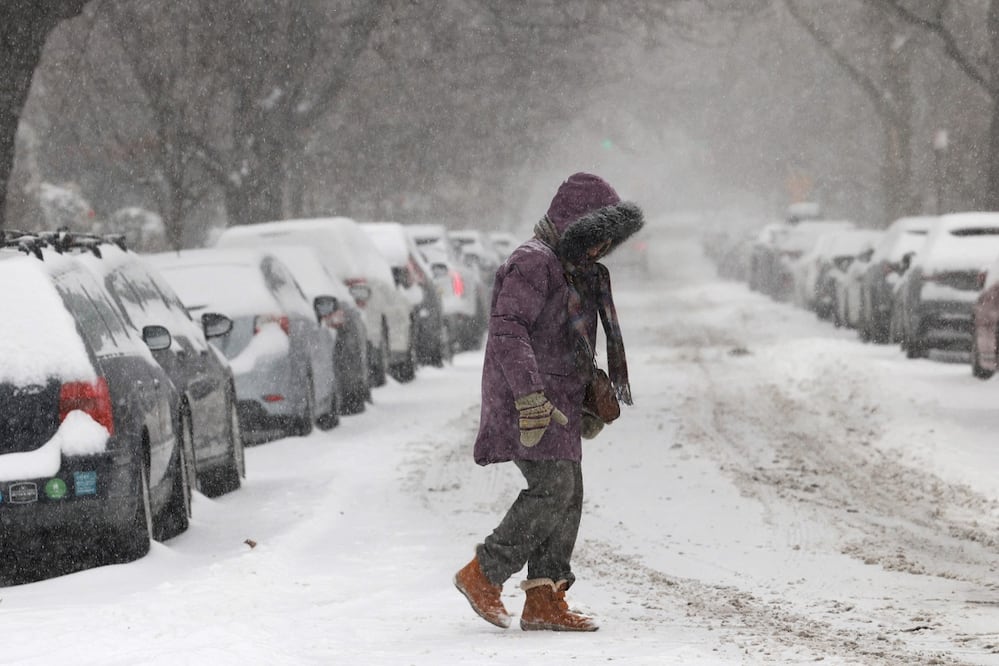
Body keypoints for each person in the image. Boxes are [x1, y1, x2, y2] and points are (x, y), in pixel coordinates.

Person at [453, 172, 644, 632]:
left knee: (568, 491)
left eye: (608, 242)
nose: (600, 250)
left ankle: (545, 596)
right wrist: (530, 395)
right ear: (575, 226)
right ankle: (483, 573)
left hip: (558, 400)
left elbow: (565, 337)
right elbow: (508, 328)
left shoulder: (572, 270)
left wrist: (585, 386)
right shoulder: (533, 263)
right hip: (528, 401)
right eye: (595, 238)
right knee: (553, 487)